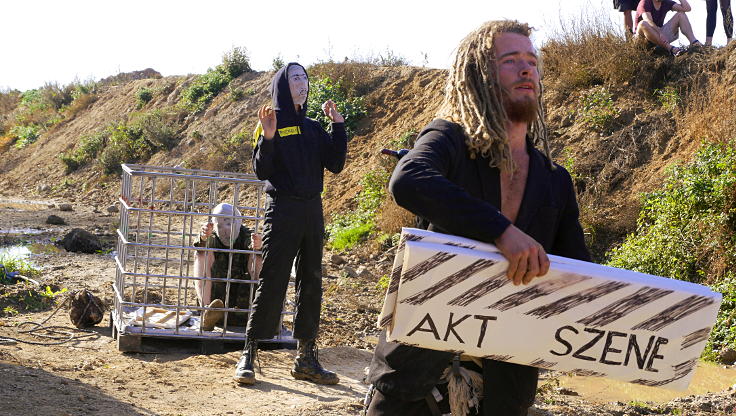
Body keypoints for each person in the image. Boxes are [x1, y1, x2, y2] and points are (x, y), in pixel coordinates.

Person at [366, 20, 591, 415]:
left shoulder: (555, 180)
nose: (527, 69)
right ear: (480, 75)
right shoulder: (449, 139)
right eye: (511, 61)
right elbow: (408, 180)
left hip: (503, 389)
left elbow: (577, 274)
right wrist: (503, 232)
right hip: (415, 376)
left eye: (532, 61)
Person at [233, 62, 347, 385]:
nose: (302, 82)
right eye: (295, 78)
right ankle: (249, 353)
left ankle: (306, 358)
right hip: (282, 211)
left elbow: (336, 163)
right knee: (272, 280)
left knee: (311, 283)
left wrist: (337, 126)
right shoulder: (271, 122)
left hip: (312, 211)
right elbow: (261, 170)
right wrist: (268, 137)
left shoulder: (313, 128)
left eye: (304, 78)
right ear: (283, 85)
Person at [193, 202, 262, 331]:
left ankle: (265, 311)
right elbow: (201, 242)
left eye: (229, 224)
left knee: (257, 255)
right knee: (201, 253)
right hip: (217, 304)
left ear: (238, 223)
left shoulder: (246, 233)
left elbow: (254, 242)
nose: (226, 230)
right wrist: (203, 237)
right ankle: (206, 312)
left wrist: (258, 244)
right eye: (220, 225)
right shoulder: (212, 235)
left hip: (245, 302)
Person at [635, 0, 702, 55]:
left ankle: (694, 42)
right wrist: (660, 33)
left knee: (680, 14)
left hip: (659, 39)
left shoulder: (666, 2)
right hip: (642, 41)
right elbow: (648, 20)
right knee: (643, 23)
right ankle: (671, 49)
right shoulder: (645, 2)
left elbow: (687, 8)